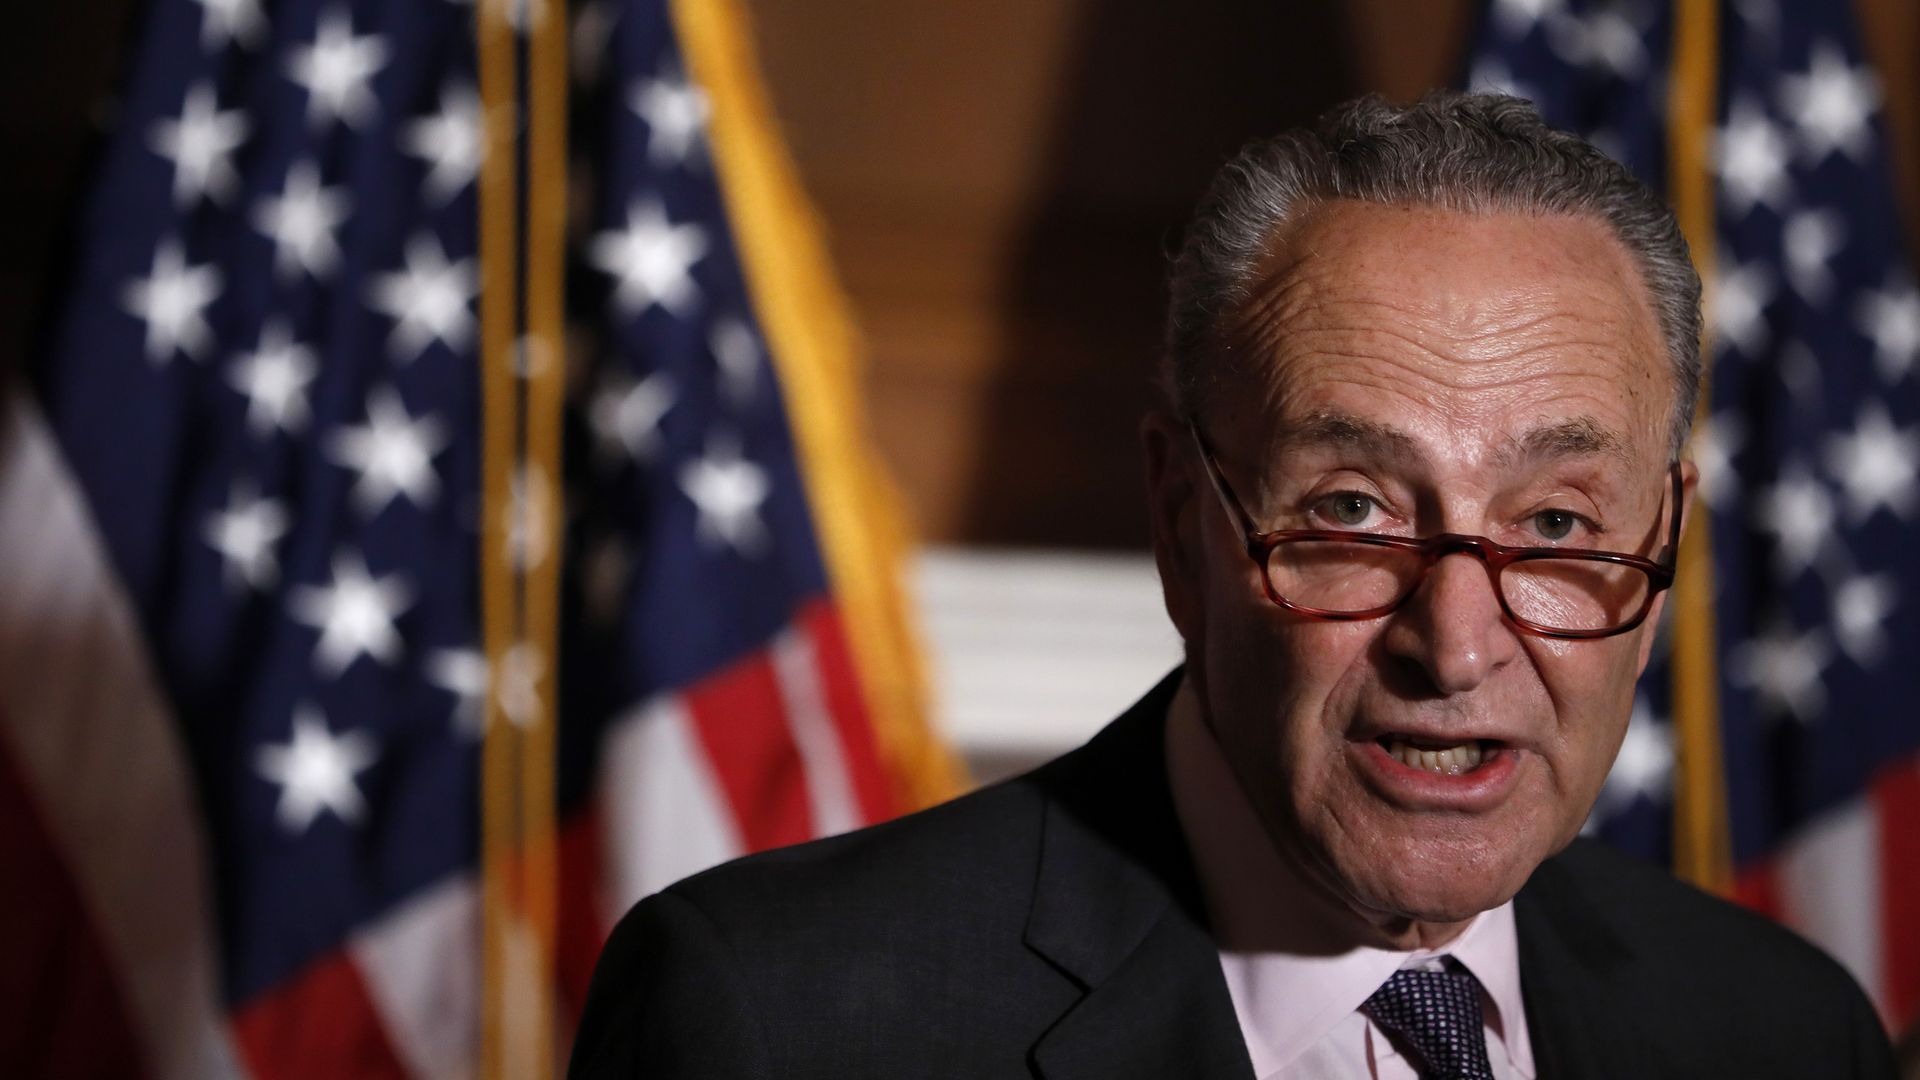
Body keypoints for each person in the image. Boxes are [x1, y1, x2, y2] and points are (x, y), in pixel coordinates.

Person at [569, 92, 1897, 1079]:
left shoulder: (1781, 1032)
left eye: (1554, 521)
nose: (1455, 641)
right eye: (1354, 511)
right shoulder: (778, 1022)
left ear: (1661, 551)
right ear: (1180, 519)